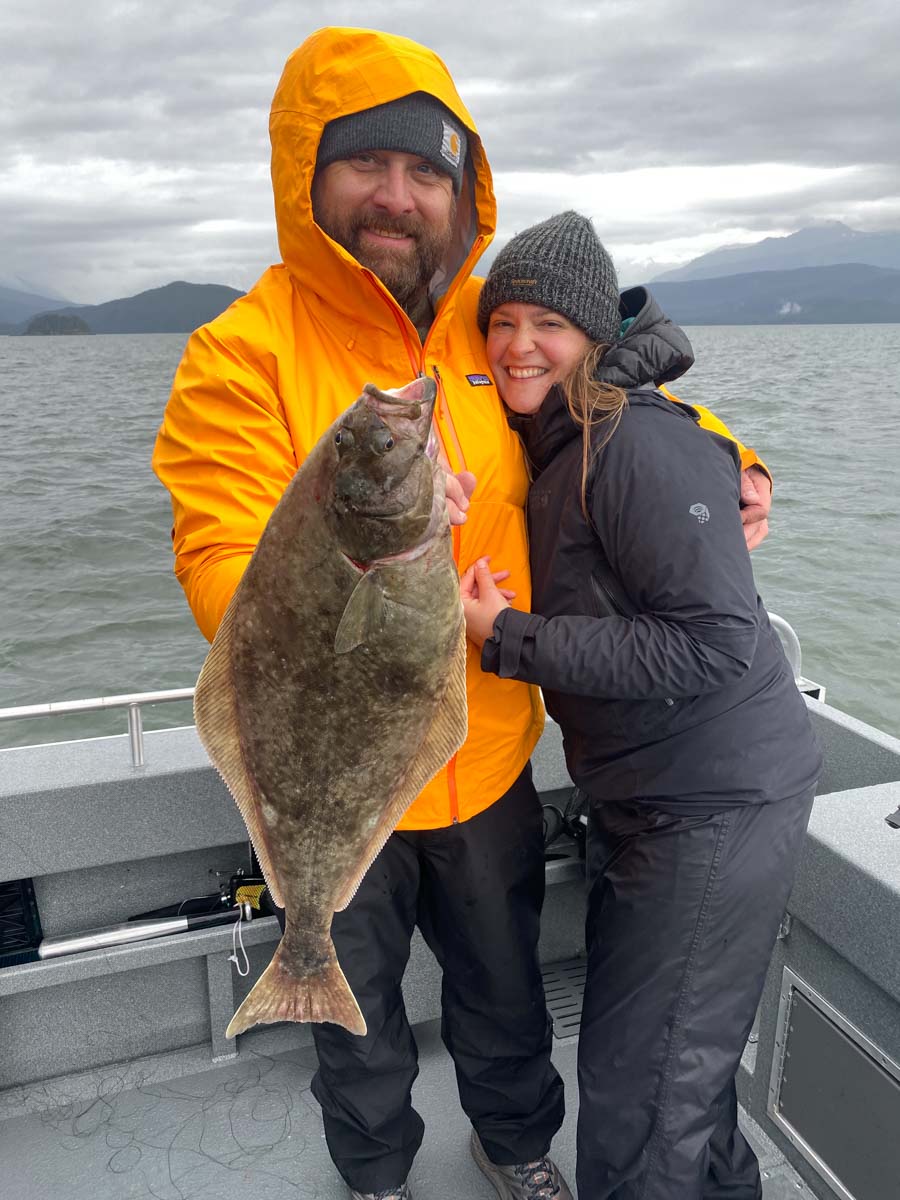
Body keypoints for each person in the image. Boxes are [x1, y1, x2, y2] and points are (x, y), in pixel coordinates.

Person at [152, 27, 771, 1200]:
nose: (398, 196)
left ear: (462, 193)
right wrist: (363, 568)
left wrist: (735, 458)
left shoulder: (495, 323)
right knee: (355, 1004)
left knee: (503, 985)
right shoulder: (238, 353)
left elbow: (613, 396)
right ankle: (377, 1171)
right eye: (367, 165)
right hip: (329, 769)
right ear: (307, 176)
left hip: (485, 754)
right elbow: (219, 552)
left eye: (428, 172)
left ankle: (517, 1143)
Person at [462, 210, 822, 1200]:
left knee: (638, 1105)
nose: (518, 345)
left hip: (711, 803)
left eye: (547, 324)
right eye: (502, 321)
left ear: (594, 337)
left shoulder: (632, 445)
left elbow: (712, 642)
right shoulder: (564, 435)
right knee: (678, 1090)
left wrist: (509, 639)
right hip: (657, 796)